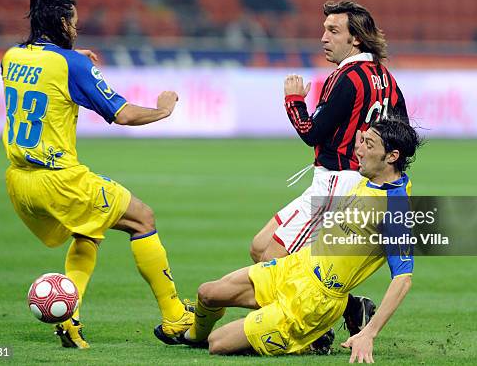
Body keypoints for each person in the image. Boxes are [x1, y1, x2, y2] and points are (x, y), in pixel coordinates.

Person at [2, 0, 193, 349]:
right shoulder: (72, 65)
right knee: (142, 218)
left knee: (89, 230)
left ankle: (69, 317)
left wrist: (73, 59)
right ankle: (174, 316)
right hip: (59, 180)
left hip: (18, 180)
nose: (76, 28)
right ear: (62, 23)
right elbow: (123, 114)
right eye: (73, 22)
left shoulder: (10, 58)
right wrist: (163, 110)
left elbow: (43, 73)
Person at [175, 118, 421, 363]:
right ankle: (192, 337)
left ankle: (313, 339)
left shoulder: (395, 209)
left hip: (315, 301)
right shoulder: (370, 178)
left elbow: (403, 279)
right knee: (207, 293)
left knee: (218, 343)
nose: (360, 149)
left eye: (369, 144)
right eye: (362, 141)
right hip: (297, 267)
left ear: (391, 156)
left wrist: (369, 333)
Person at [250, 0, 409, 263]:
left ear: (355, 39)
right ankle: (348, 306)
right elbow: (403, 135)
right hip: (351, 182)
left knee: (273, 261)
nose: (323, 38)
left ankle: (347, 307)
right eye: (324, 29)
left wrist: (293, 101)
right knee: (259, 247)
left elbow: (311, 132)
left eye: (333, 31)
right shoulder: (385, 77)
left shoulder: (346, 77)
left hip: (337, 182)